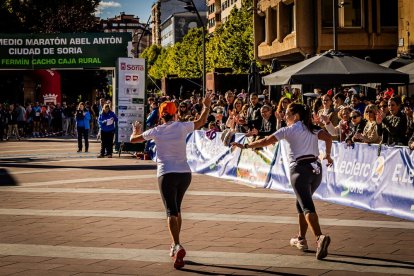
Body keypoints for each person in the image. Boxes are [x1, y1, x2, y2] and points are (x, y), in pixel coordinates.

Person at [231, 102, 333, 260]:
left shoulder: (289, 130)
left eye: (287, 114)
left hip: (300, 171)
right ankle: (301, 238)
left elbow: (266, 141)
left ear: (296, 116)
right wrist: (327, 154)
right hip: (316, 170)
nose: (284, 116)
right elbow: (328, 137)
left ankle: (319, 237)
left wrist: (245, 146)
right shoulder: (311, 128)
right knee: (301, 203)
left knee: (306, 206)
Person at [129, 92, 214, 269]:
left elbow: (133, 140)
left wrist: (135, 131)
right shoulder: (182, 127)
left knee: (170, 211)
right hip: (184, 173)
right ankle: (175, 242)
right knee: (177, 209)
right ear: (175, 114)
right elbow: (201, 122)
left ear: (161, 115)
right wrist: (206, 105)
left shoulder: (157, 130)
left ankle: (177, 245)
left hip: (166, 173)